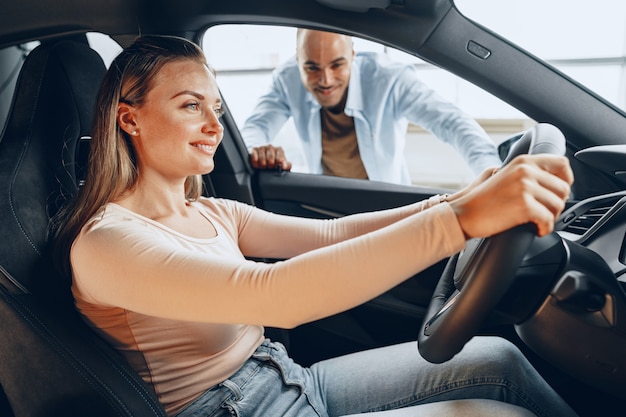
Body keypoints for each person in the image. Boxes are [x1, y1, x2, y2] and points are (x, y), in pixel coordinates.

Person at [50, 35, 578, 417]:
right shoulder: (107, 243)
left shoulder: (211, 211)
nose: (215, 127)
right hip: (235, 410)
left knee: (498, 358)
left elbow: (335, 234)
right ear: (130, 118)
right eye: (191, 107)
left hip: (284, 375)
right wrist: (460, 220)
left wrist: (459, 198)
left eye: (216, 107)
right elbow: (275, 294)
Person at [241, 29, 502, 184]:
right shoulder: (287, 79)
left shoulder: (389, 79)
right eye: (312, 67)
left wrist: (491, 172)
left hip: (384, 203)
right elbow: (256, 127)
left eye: (337, 65)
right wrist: (257, 151)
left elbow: (452, 122)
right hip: (325, 205)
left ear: (353, 54)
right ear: (297, 60)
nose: (326, 80)